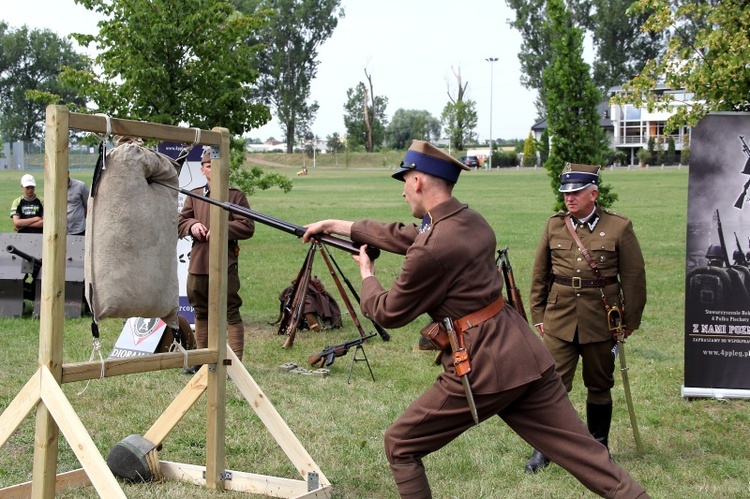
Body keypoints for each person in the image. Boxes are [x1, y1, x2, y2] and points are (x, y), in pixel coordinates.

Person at [303, 141, 649, 499]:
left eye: (404, 180)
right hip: (525, 356)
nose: (404, 190)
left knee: (400, 444)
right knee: (591, 459)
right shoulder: (470, 220)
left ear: (419, 181)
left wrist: (367, 274)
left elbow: (388, 312)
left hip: (484, 367)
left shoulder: (433, 246)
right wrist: (336, 225)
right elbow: (408, 235)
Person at [526, 163, 647, 474]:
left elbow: (633, 278)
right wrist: (538, 314)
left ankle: (598, 446)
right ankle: (545, 448)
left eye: (576, 192)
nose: (569, 197)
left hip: (601, 320)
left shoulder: (619, 227)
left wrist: (629, 321)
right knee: (551, 385)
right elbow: (540, 273)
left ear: (593, 193)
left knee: (599, 385)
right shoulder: (555, 225)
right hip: (560, 318)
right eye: (566, 192)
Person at [178, 148, 254, 372]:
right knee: (200, 310)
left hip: (225, 261)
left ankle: (235, 366)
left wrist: (221, 228)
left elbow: (248, 226)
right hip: (199, 260)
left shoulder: (235, 195)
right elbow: (181, 222)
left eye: (216, 165)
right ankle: (202, 361)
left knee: (230, 310)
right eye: (208, 165)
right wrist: (193, 225)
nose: (212, 169)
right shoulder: (195, 193)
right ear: (202, 170)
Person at [67, 170, 90, 236]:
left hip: (78, 229)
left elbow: (88, 205)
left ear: (68, 173)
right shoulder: (54, 188)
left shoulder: (80, 186)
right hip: (60, 229)